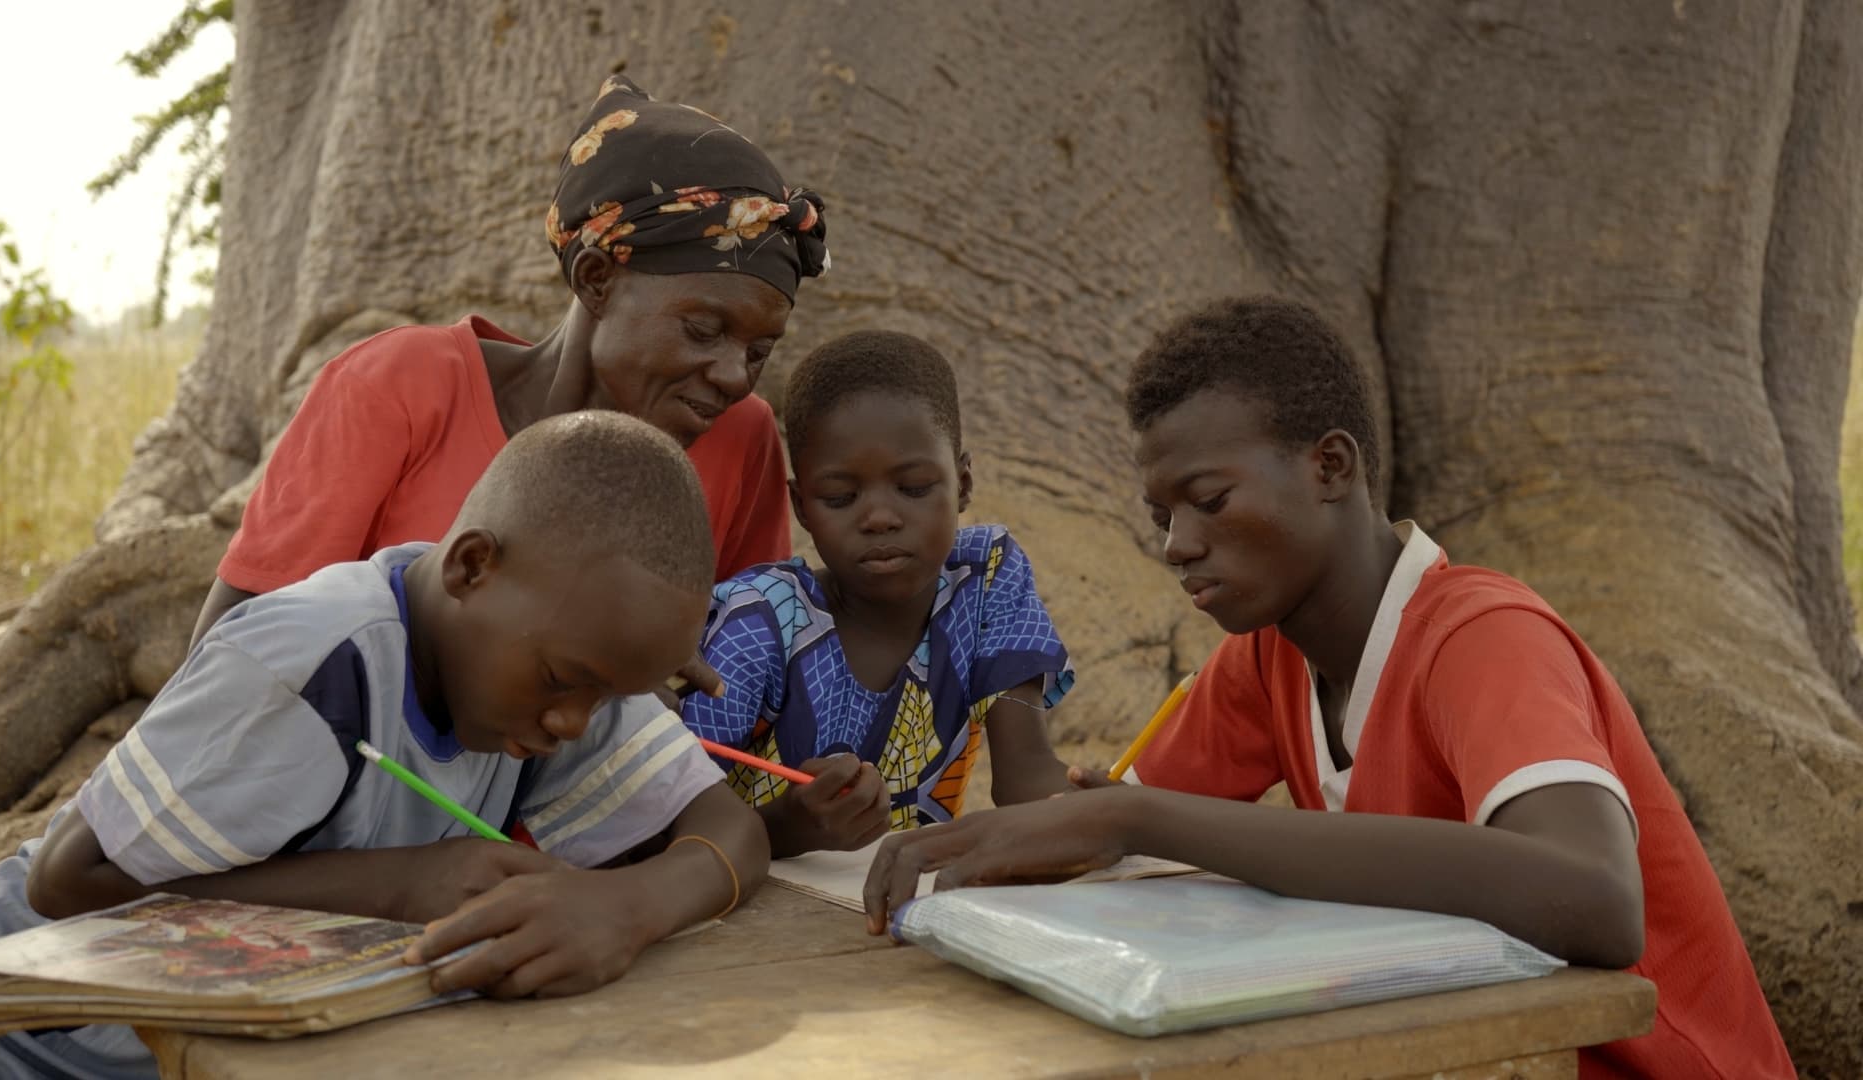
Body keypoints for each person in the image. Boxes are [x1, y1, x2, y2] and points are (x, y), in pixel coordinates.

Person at [861, 298, 1795, 1078]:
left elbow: (1594, 903)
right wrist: (1043, 832)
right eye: (1161, 514)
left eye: (1210, 500)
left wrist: (1135, 824)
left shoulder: (1484, 638)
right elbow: (1113, 834)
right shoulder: (1266, 660)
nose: (1177, 542)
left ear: (1331, 466)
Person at [0, 412, 770, 1079]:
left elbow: (733, 832)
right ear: (473, 567)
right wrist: (405, 883)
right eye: (566, 684)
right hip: (16, 1037)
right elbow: (67, 879)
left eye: (607, 698)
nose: (574, 725)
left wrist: (626, 910)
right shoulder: (314, 663)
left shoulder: (561, 650)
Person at [190, 73, 831, 664]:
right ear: (596, 279)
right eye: (703, 330)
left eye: (758, 352)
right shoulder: (402, 387)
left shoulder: (740, 439)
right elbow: (234, 648)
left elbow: (744, 664)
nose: (731, 375)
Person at [680, 331, 1075, 857]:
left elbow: (1024, 777)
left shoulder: (984, 575)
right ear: (801, 506)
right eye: (841, 497)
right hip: (748, 913)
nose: (881, 517)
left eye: (913, 488)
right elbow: (663, 822)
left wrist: (1116, 814)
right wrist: (788, 827)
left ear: (963, 482)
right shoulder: (760, 623)